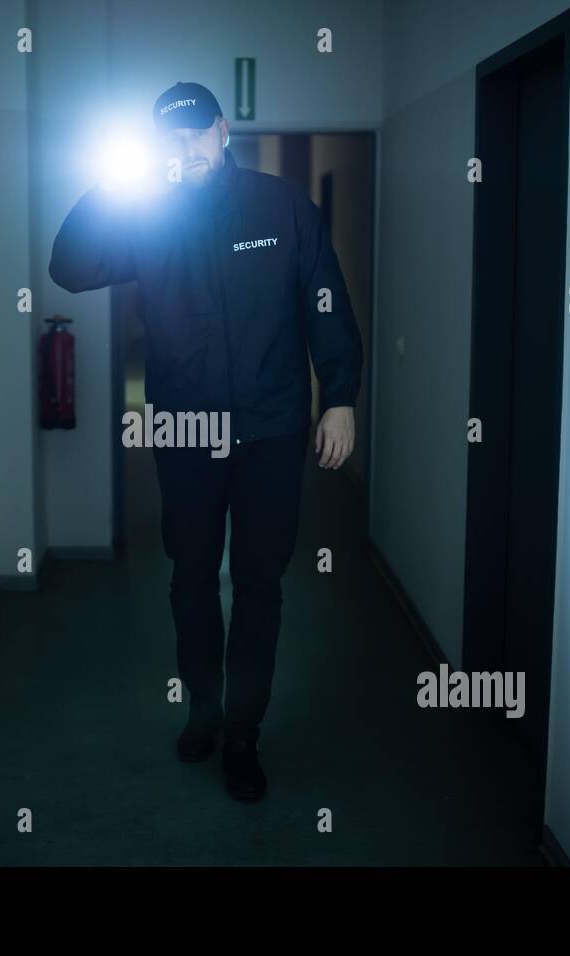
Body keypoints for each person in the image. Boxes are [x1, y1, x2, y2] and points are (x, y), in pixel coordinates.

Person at [48, 81, 362, 801]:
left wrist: (339, 397)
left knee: (258, 585)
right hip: (185, 431)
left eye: (194, 132)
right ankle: (204, 712)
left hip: (272, 430)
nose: (183, 148)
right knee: (191, 577)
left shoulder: (281, 207)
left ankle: (244, 735)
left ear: (222, 129)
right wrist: (111, 185)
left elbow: (325, 300)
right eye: (169, 138)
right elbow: (69, 268)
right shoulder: (146, 216)